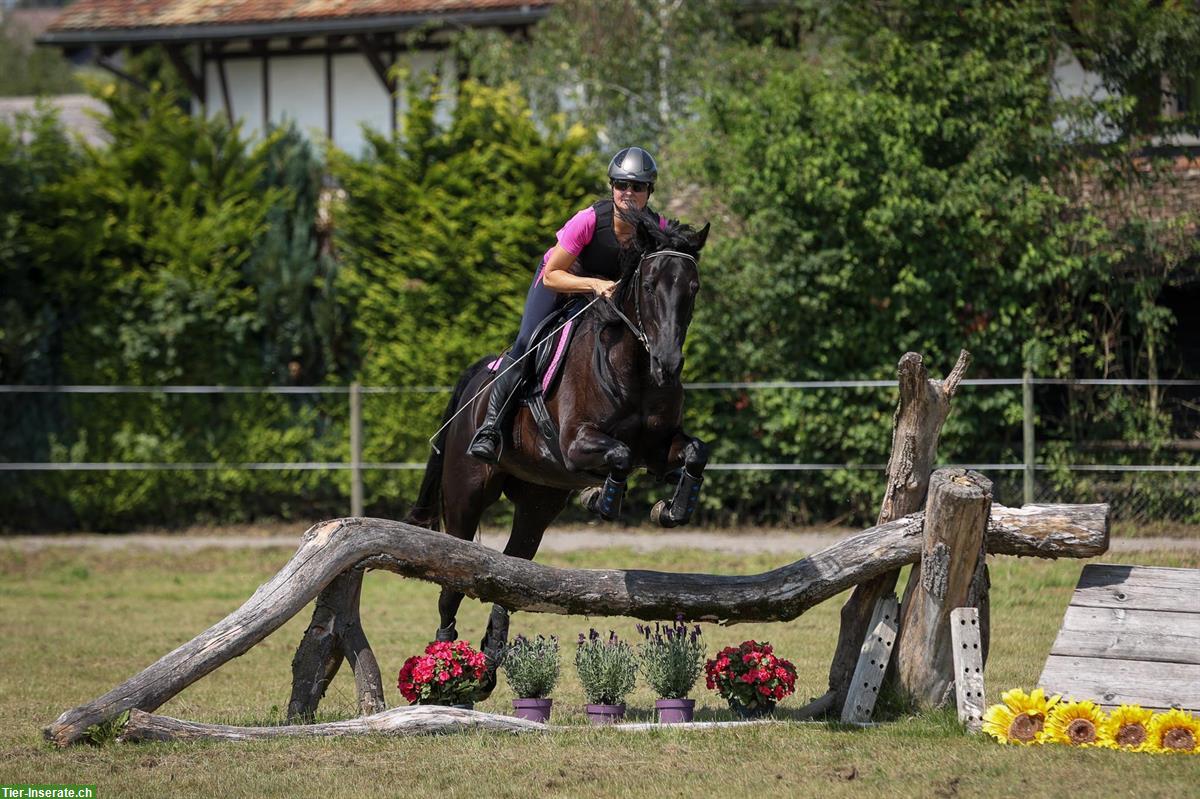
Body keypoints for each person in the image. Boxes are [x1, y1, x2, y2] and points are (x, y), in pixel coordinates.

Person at [467, 146, 664, 463]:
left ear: (649, 191)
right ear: (612, 187)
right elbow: (552, 276)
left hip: (607, 295)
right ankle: (490, 428)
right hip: (562, 282)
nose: (628, 193)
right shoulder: (587, 221)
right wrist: (593, 284)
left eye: (637, 187)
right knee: (527, 342)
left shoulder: (657, 227)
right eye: (621, 185)